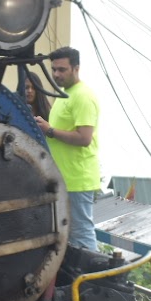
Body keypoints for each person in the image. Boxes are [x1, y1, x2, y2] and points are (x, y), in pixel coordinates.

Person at [36, 47, 101, 252]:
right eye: (54, 69)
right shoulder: (65, 95)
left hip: (77, 179)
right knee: (71, 236)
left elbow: (84, 138)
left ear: (76, 68)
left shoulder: (82, 96)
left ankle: (92, 270)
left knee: (81, 233)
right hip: (65, 178)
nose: (56, 74)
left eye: (62, 70)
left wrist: (50, 130)